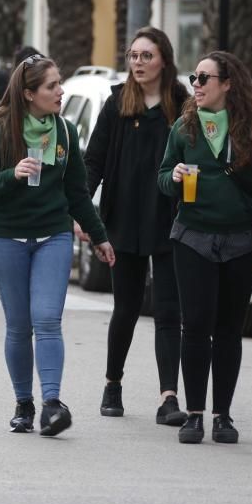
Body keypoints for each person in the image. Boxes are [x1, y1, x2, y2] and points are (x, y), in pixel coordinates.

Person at [0, 51, 116, 437]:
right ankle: (24, 403)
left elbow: (77, 193)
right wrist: (11, 175)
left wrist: (98, 236)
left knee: (47, 320)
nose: (60, 91)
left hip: (53, 235)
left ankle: (52, 403)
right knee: (19, 326)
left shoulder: (65, 131)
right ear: (30, 93)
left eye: (59, 84)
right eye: (52, 86)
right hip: (5, 237)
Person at [158, 50, 252, 445]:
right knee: (194, 326)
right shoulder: (184, 128)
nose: (195, 85)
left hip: (240, 242)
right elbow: (162, 178)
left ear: (228, 84)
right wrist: (173, 177)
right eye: (194, 78)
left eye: (204, 78)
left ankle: (222, 416)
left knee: (229, 330)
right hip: (192, 237)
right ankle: (193, 415)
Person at [83, 27, 190, 426]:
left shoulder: (182, 104)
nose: (139, 63)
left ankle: (168, 397)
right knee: (125, 307)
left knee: (168, 310)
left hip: (169, 219)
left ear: (164, 58)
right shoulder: (116, 103)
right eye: (133, 56)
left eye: (147, 56)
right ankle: (113, 383)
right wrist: (83, 212)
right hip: (123, 218)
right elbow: (93, 161)